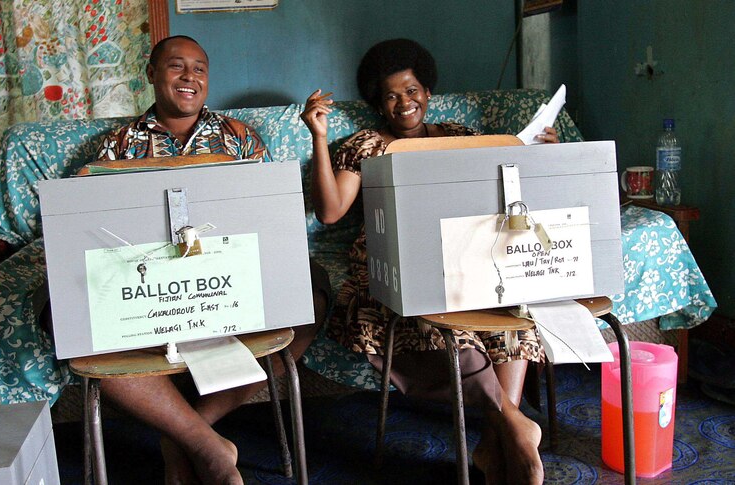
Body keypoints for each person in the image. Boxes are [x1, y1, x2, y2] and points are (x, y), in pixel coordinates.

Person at [300, 38, 558, 484]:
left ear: (428, 93)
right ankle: (514, 427)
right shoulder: (366, 146)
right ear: (379, 104)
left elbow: (509, 193)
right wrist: (319, 137)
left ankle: (496, 445)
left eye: (412, 90)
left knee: (513, 309)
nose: (405, 102)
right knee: (441, 323)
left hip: (468, 254)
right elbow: (330, 212)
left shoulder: (459, 138)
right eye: (392, 95)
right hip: (394, 260)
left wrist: (539, 156)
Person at [93, 35, 329, 485]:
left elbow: (270, 215)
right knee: (74, 325)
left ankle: (186, 431)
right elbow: (98, 237)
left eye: (199, 68)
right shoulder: (118, 147)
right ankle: (207, 446)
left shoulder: (239, 138)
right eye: (176, 66)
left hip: (229, 281)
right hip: (149, 290)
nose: (190, 77)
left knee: (309, 297)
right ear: (151, 74)